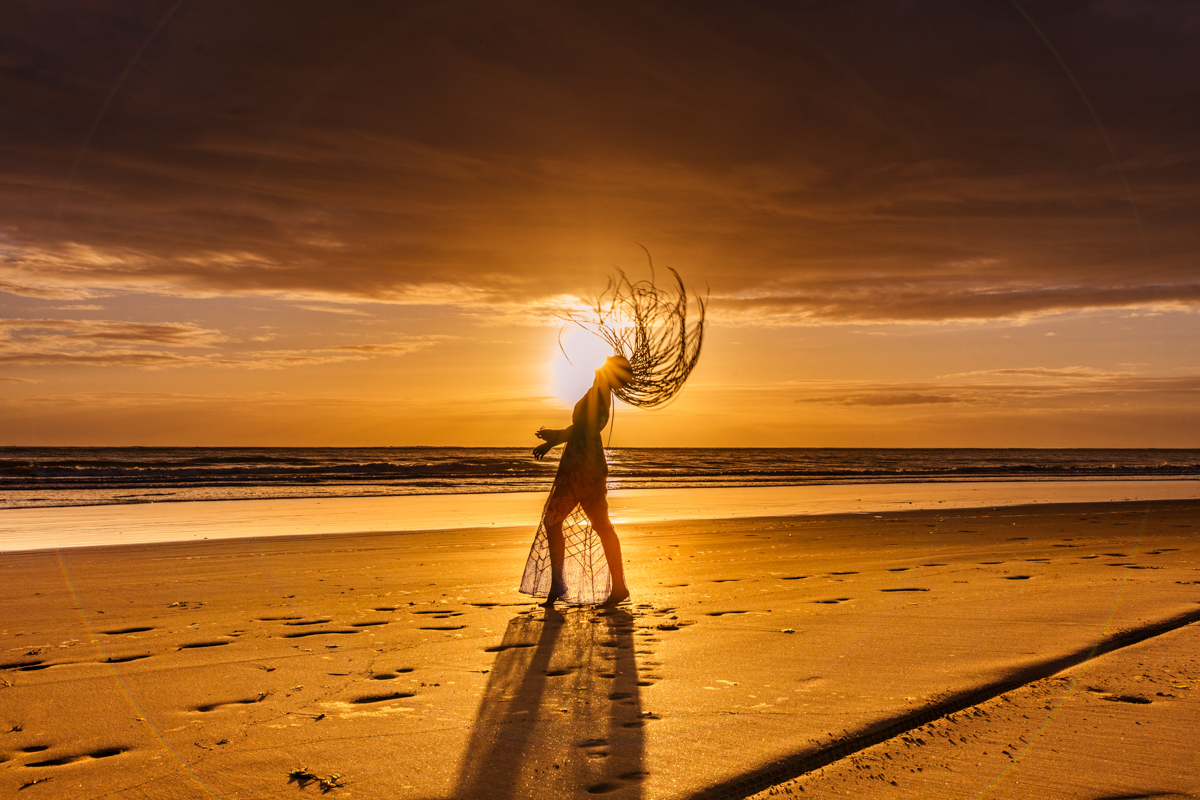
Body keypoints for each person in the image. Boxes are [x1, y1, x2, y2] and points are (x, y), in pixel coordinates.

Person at [527, 355, 633, 607]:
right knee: (555, 520)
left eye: (606, 364)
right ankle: (559, 583)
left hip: (585, 468)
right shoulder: (595, 392)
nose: (599, 364)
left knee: (598, 524)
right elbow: (580, 428)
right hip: (576, 465)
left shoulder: (600, 395)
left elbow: (584, 429)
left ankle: (617, 586)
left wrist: (552, 439)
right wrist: (555, 436)